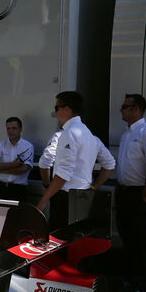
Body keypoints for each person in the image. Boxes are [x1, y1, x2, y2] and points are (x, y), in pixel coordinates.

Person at [115, 93, 146, 292]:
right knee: (127, 237)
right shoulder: (127, 134)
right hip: (124, 192)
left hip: (138, 193)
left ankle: (141, 286)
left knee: (141, 240)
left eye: (125, 106)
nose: (121, 110)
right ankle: (128, 281)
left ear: (136, 109)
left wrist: (145, 193)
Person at [37, 91, 103, 230]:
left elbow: (64, 173)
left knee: (59, 244)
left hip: (65, 199)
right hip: (82, 196)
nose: (55, 114)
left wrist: (44, 199)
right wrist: (95, 186)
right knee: (76, 243)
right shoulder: (88, 133)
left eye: (56, 108)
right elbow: (110, 164)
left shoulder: (69, 133)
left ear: (67, 109)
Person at [0, 116, 34, 203]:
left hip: (18, 190)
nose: (10, 131)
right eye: (8, 128)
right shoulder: (1, 145)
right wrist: (12, 165)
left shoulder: (27, 146)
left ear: (20, 129)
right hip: (0, 189)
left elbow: (23, 169)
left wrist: (1, 170)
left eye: (14, 128)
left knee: (18, 216)